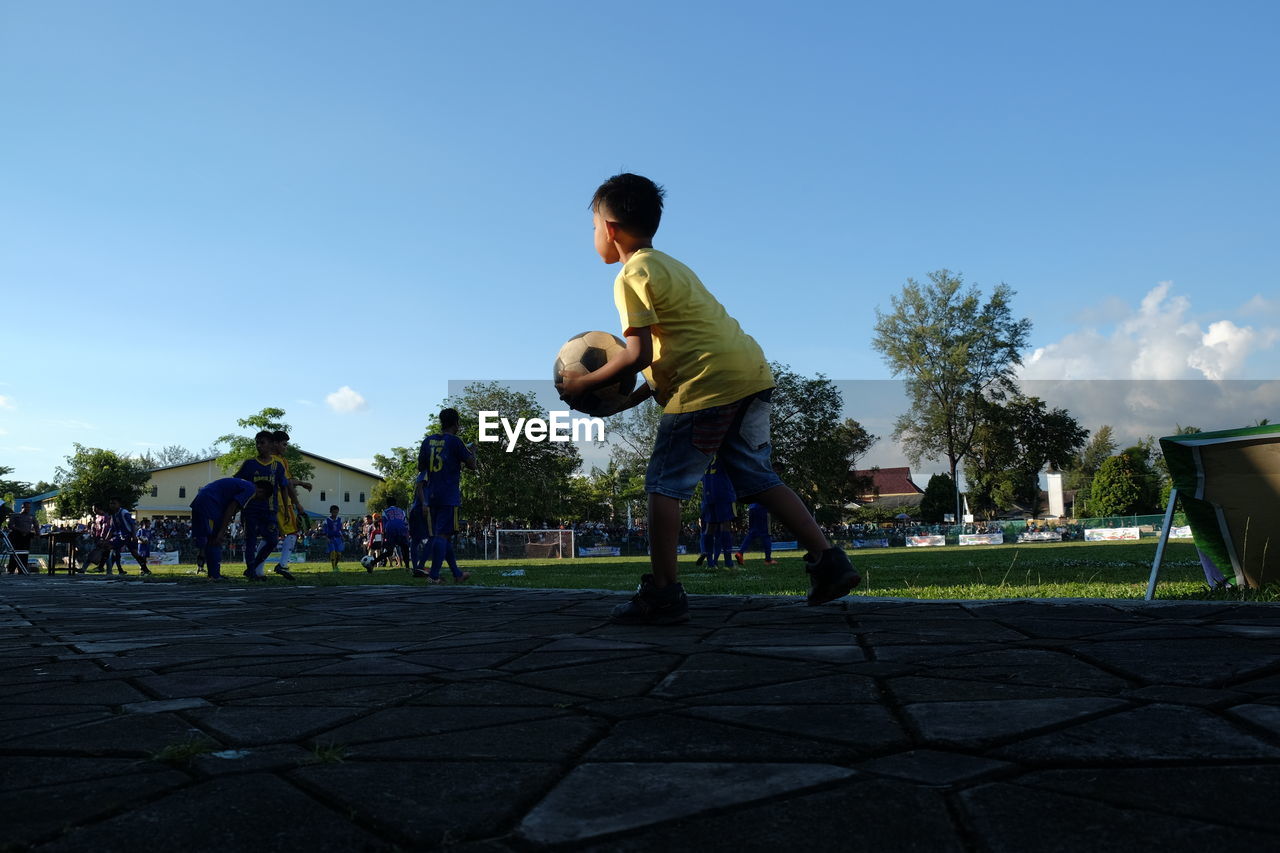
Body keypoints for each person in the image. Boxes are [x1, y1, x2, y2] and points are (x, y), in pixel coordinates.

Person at [556, 173, 859, 624]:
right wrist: (627, 401)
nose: (594, 235)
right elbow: (668, 357)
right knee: (758, 476)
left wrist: (582, 384)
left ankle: (662, 591)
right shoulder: (670, 267)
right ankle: (830, 563)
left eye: (594, 226)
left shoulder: (629, 276)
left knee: (663, 484)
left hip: (708, 386)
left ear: (611, 228)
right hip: (749, 373)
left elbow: (636, 354)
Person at [416, 407, 477, 583]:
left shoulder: (428, 441)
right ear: (456, 423)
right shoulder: (455, 442)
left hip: (432, 494)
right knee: (441, 536)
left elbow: (421, 467)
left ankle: (457, 574)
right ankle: (434, 576)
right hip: (448, 494)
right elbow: (472, 465)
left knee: (444, 535)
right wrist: (473, 450)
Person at [233, 430, 290, 581]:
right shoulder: (249, 464)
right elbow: (236, 481)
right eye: (257, 442)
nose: (259, 446)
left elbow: (284, 487)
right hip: (250, 509)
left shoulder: (277, 466)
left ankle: (253, 566)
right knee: (250, 539)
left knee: (272, 540)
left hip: (270, 509)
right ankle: (251, 570)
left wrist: (286, 509)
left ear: (271, 444)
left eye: (262, 442)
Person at [190, 478, 273, 580]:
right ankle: (215, 575)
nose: (255, 500)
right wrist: (222, 531)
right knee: (215, 539)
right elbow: (231, 508)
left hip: (203, 500)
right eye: (260, 498)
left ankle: (213, 574)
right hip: (210, 503)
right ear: (261, 491)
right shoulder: (251, 490)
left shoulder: (244, 484)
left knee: (209, 538)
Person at [268, 430, 311, 581]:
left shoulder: (267, 459)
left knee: (269, 535)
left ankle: (256, 567)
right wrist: (297, 502)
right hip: (281, 502)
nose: (286, 447)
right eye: (284, 444)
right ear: (275, 443)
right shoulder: (279, 461)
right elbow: (286, 483)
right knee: (292, 532)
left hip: (267, 502)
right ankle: (283, 564)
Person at [698, 458, 736, 568]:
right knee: (725, 525)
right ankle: (728, 562)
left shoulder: (704, 453)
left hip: (707, 493)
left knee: (710, 527)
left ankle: (710, 562)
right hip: (723, 491)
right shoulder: (724, 450)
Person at [105, 498, 152, 575]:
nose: (112, 505)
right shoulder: (113, 515)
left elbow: (132, 524)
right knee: (128, 553)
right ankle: (120, 570)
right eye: (111, 503)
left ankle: (105, 569)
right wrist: (106, 539)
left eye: (114, 503)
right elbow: (112, 529)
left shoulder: (124, 512)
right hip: (121, 536)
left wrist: (133, 536)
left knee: (112, 548)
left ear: (119, 504)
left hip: (127, 535)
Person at [5, 501, 36, 573]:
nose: (28, 509)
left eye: (29, 508)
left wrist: (37, 533)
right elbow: (10, 526)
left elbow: (36, 525)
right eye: (26, 507)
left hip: (26, 537)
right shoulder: (15, 515)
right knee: (15, 553)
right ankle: (11, 570)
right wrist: (20, 530)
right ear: (22, 507)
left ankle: (22, 570)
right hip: (16, 536)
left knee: (25, 554)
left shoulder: (31, 516)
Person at [380, 503, 411, 569]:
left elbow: (384, 526)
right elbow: (405, 523)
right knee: (402, 550)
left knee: (390, 551)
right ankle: (405, 565)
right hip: (401, 532)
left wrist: (384, 536)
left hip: (391, 533)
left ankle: (378, 563)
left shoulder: (385, 512)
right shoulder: (401, 511)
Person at [321, 505, 345, 570]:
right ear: (331, 512)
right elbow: (324, 530)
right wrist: (326, 538)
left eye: (336, 512)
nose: (335, 514)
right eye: (334, 512)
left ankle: (336, 565)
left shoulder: (339, 520)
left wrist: (342, 536)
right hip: (331, 539)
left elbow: (340, 529)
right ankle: (333, 568)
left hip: (338, 539)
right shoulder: (327, 520)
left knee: (339, 554)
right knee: (333, 552)